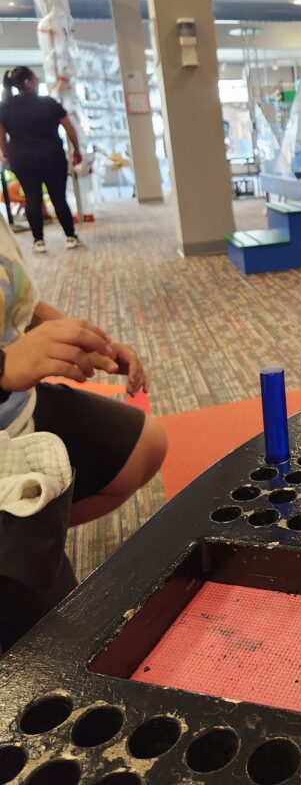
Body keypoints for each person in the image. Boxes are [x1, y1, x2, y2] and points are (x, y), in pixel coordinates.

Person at [0, 211, 167, 527]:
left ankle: (38, 529)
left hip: (18, 409)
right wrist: (4, 369)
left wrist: (87, 344)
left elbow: (23, 306)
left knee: (147, 445)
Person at [0, 66, 81, 253]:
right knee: (58, 196)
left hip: (22, 159)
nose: (37, 81)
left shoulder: (5, 108)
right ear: (28, 82)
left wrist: (6, 154)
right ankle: (70, 236)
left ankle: (38, 242)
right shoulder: (48, 103)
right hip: (51, 156)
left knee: (31, 197)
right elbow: (69, 128)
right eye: (35, 78)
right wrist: (76, 150)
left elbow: (1, 136)